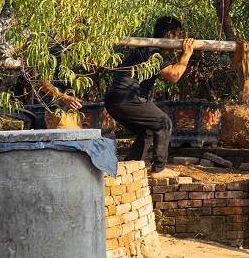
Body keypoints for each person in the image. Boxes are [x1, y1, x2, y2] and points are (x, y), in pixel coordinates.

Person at [105, 17, 195, 179]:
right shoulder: (153, 51)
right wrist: (186, 55)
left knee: (146, 131)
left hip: (114, 100)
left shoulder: (145, 49)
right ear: (169, 34)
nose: (180, 41)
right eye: (178, 35)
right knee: (163, 123)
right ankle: (159, 169)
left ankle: (130, 168)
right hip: (128, 98)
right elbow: (174, 76)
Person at [39, 43, 83, 129]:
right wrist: (64, 97)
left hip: (73, 112)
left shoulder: (77, 52)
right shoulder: (57, 52)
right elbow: (42, 82)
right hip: (58, 113)